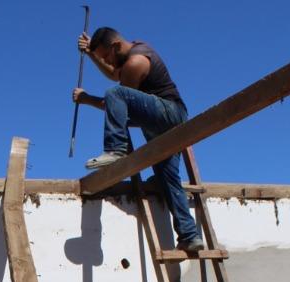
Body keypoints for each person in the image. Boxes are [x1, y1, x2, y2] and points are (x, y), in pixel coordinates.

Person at [73, 27, 203, 253]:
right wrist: (92, 54)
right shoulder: (128, 55)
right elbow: (115, 73)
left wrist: (86, 99)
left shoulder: (137, 62)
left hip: (169, 114)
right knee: (167, 179)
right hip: (161, 124)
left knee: (114, 94)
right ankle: (190, 236)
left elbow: (113, 102)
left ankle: (116, 149)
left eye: (106, 56)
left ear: (115, 46)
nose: (107, 61)